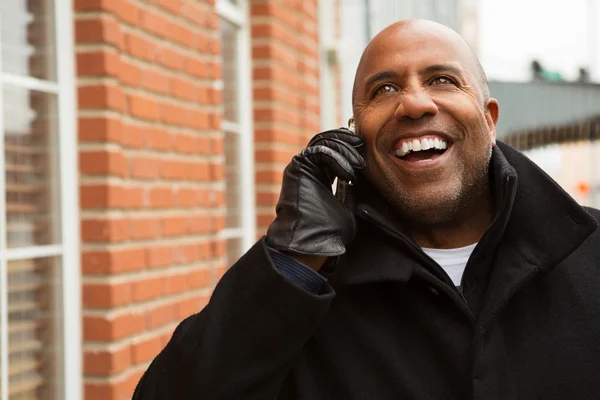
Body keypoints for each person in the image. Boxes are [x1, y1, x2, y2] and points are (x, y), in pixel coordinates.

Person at [132, 20, 600, 399]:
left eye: (441, 80)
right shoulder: (307, 289)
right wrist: (291, 261)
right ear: (355, 134)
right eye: (383, 90)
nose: (414, 103)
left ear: (489, 117)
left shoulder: (591, 254)